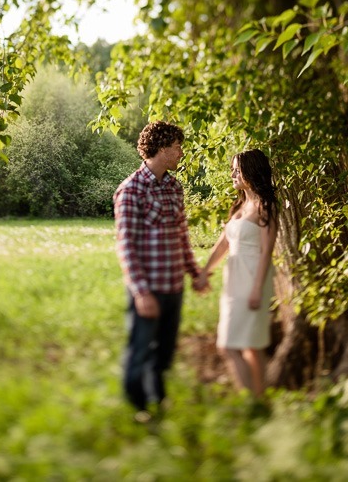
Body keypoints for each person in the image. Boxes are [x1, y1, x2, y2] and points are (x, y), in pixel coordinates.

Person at [113, 121, 204, 420]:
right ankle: (137, 407)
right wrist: (141, 292)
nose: (180, 153)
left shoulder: (174, 188)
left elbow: (181, 237)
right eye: (177, 147)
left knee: (163, 353)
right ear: (162, 149)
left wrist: (195, 273)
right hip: (148, 289)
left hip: (173, 287)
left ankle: (158, 401)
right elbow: (126, 246)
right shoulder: (130, 190)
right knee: (140, 350)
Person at [200, 149, 278, 397]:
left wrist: (257, 288)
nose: (233, 173)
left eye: (237, 169)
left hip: (254, 279)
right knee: (251, 347)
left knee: (230, 346)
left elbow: (267, 252)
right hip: (234, 282)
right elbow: (223, 244)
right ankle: (260, 399)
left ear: (252, 171)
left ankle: (251, 401)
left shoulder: (265, 206)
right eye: (232, 168)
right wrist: (204, 272)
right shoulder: (239, 206)